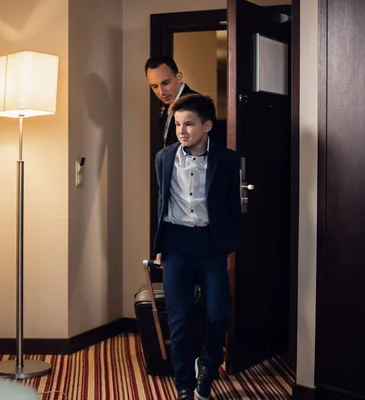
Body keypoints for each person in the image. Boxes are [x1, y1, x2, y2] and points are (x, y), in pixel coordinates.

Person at [153, 94, 242, 400]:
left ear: (207, 126)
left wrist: (228, 247)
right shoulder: (164, 158)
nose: (182, 130)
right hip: (176, 243)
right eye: (178, 124)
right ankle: (185, 388)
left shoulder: (227, 160)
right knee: (179, 320)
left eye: (189, 124)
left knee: (218, 314)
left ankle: (207, 364)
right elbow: (162, 203)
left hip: (210, 244)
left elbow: (233, 207)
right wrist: (160, 246)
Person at [145, 56, 198, 148]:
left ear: (179, 77)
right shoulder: (167, 104)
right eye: (155, 86)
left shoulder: (197, 104)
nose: (161, 92)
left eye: (165, 83)